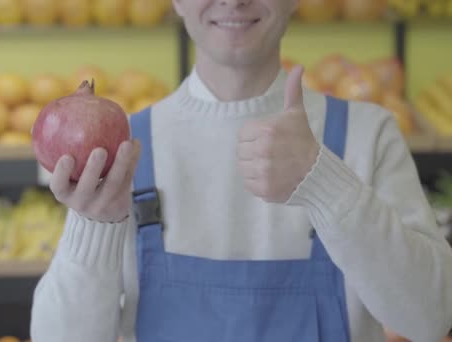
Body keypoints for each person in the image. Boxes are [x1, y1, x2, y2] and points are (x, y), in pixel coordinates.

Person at [30, 0, 452, 341]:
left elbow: (430, 319)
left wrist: (324, 183)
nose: (233, 0)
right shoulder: (125, 150)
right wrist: (95, 225)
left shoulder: (367, 133)